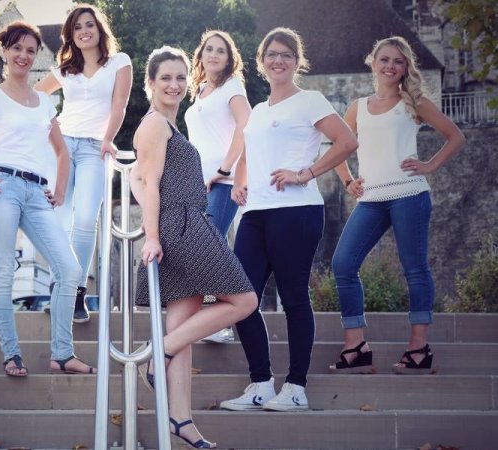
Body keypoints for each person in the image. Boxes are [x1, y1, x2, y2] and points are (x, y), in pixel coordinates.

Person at [221, 27, 358, 412]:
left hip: (297, 212)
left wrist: (305, 174)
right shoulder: (260, 111)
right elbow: (249, 149)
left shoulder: (309, 100)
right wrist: (240, 184)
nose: (278, 60)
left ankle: (296, 388)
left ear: (297, 62)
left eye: (286, 54)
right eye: (271, 54)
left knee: (294, 298)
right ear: (262, 62)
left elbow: (347, 141)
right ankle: (261, 384)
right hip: (255, 213)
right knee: (241, 298)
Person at [131, 46, 258, 449]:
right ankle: (157, 353)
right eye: (165, 77)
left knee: (182, 332)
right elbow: (148, 184)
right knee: (245, 301)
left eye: (181, 77)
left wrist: (157, 222)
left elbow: (137, 179)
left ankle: (181, 420)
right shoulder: (154, 125)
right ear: (150, 82)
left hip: (183, 222)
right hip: (183, 226)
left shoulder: (167, 126)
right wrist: (152, 236)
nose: (174, 84)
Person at [0, 21, 91, 378]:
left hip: (36, 191)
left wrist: (60, 190)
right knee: (2, 271)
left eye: (30, 51)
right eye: (17, 48)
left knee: (70, 269)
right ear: (5, 51)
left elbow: (62, 152)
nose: (24, 56)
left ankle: (62, 353)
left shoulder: (45, 102)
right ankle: (11, 354)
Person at [329, 36, 465, 375]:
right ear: (373, 62)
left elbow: (456, 136)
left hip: (409, 195)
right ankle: (356, 347)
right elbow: (339, 148)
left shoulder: (414, 102)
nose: (391, 66)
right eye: (385, 59)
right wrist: (348, 180)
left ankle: (418, 350)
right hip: (372, 199)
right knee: (343, 263)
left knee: (414, 269)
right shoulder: (357, 107)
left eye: (398, 61)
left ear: (405, 68)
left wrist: (430, 165)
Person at [35, 3, 132, 323]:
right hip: (61, 146)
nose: (84, 31)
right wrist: (50, 128)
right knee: (57, 219)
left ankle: (76, 290)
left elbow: (119, 105)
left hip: (94, 148)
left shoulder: (119, 62)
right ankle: (59, 286)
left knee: (86, 219)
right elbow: (35, 96)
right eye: (77, 28)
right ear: (70, 35)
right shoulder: (65, 69)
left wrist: (108, 138)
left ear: (99, 28)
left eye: (89, 25)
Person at [184, 30, 252, 344]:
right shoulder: (199, 91)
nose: (213, 54)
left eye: (220, 51)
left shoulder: (232, 86)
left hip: (223, 181)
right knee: (207, 246)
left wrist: (225, 169)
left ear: (229, 58)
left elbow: (246, 125)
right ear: (201, 54)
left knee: (210, 246)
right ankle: (211, 319)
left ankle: (220, 322)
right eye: (208, 48)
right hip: (199, 183)